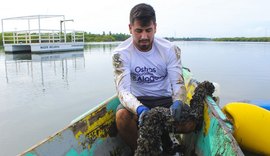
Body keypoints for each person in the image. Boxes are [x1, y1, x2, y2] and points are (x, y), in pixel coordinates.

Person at [112, 3, 187, 154]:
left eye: (148, 30)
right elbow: (123, 91)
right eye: (138, 31)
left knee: (192, 122)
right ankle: (141, 150)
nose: (144, 36)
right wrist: (139, 109)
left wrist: (178, 101)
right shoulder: (121, 54)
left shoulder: (170, 49)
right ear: (130, 28)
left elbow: (178, 83)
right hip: (138, 100)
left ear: (155, 27)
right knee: (121, 117)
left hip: (165, 99)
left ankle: (166, 139)